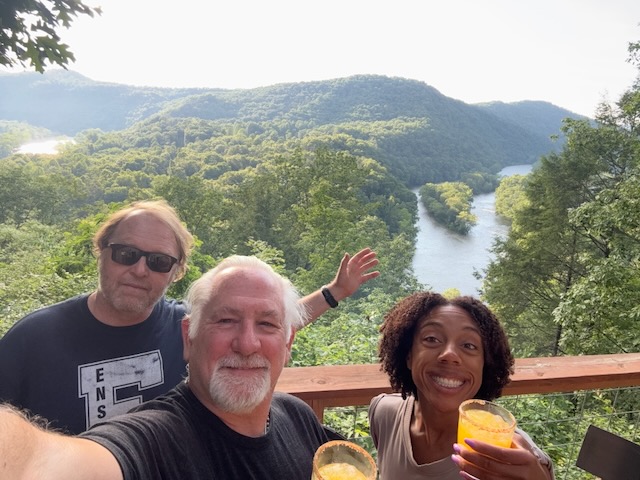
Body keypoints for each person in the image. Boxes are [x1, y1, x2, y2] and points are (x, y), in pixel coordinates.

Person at [0, 199, 379, 434]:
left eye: (158, 261)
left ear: (176, 272)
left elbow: (262, 331)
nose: (140, 270)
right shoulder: (34, 338)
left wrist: (333, 293)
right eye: (126, 254)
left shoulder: (184, 327)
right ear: (101, 251)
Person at [0, 255, 345, 479]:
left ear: (288, 343)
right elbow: (40, 465)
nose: (247, 343)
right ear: (189, 337)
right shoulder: (154, 442)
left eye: (267, 324)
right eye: (225, 320)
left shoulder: (297, 417)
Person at [368, 292, 554, 480]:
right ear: (408, 356)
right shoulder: (384, 414)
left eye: (469, 345)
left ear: (485, 366)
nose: (450, 354)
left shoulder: (509, 453)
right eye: (432, 339)